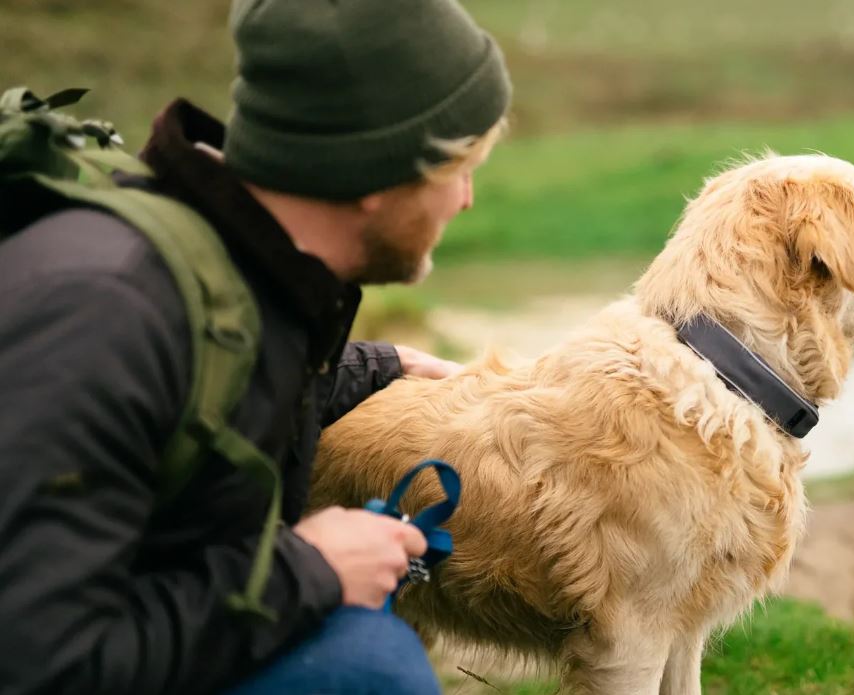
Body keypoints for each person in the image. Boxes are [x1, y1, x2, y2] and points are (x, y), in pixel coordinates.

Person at [0, 0, 510, 692]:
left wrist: (382, 366)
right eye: (460, 168)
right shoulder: (108, 318)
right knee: (366, 665)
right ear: (379, 170)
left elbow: (201, 398)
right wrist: (311, 568)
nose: (467, 200)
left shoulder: (236, 269)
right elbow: (36, 660)